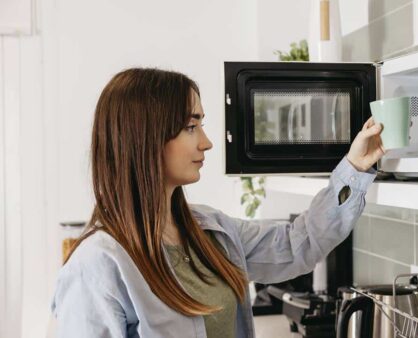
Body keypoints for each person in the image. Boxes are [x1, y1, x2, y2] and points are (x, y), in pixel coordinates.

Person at [51, 68, 385, 338]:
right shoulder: (98, 266)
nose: (207, 142)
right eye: (190, 126)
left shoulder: (211, 231)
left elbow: (300, 244)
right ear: (145, 137)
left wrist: (354, 168)